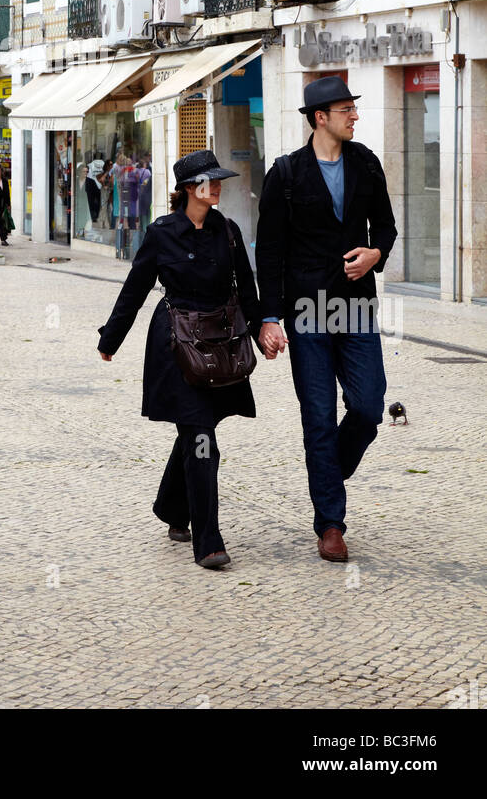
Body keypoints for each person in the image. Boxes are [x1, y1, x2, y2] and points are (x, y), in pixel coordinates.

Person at [97, 149, 267, 570]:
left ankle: (171, 509)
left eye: (220, 179)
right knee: (201, 439)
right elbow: (135, 289)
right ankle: (208, 542)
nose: (220, 186)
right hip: (176, 347)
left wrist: (265, 332)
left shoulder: (227, 231)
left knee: (197, 430)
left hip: (220, 345)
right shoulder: (162, 232)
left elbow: (247, 288)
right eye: (212, 180)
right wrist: (111, 338)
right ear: (190, 188)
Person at [255, 75, 398, 565]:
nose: (355, 116)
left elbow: (386, 226)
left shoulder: (365, 163)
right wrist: (268, 317)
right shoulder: (287, 173)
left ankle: (327, 474)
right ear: (320, 118)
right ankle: (331, 524)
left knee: (368, 407)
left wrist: (375, 254)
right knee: (317, 417)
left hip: (356, 306)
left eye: (353, 110)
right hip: (305, 311)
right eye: (346, 110)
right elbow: (269, 252)